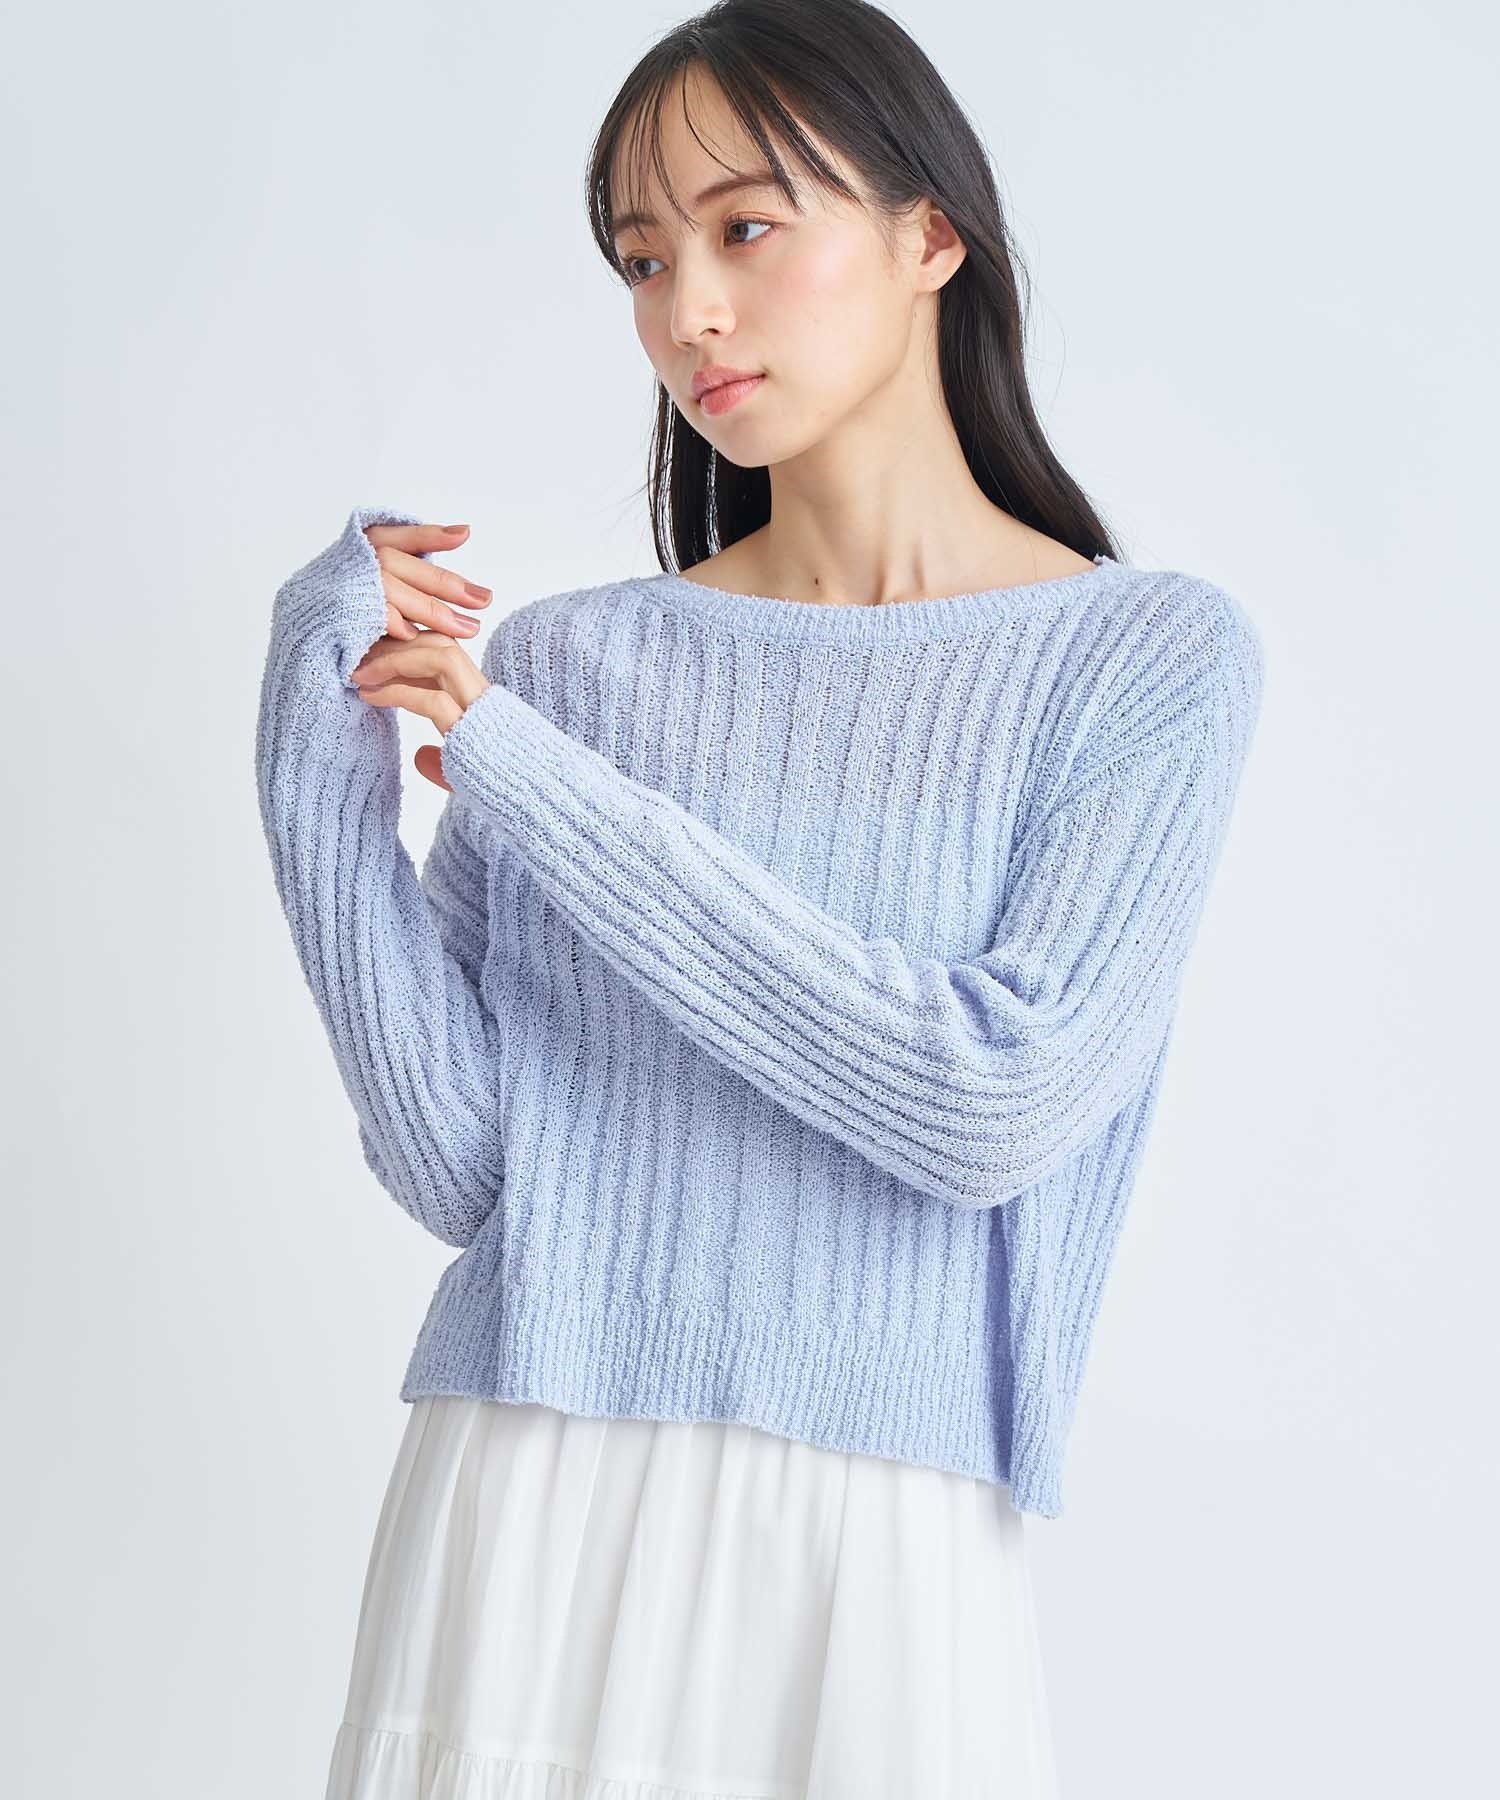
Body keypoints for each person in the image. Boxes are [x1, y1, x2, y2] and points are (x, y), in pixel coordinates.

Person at [254, 3, 1265, 1795]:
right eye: (644, 260)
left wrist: (529, 777)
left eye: (745, 228)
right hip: (523, 1489)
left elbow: (986, 1102)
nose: (688, 313)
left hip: (870, 1539)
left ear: (930, 234)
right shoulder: (570, 668)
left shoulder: (1140, 659)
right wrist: (315, 752)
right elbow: (464, 1166)